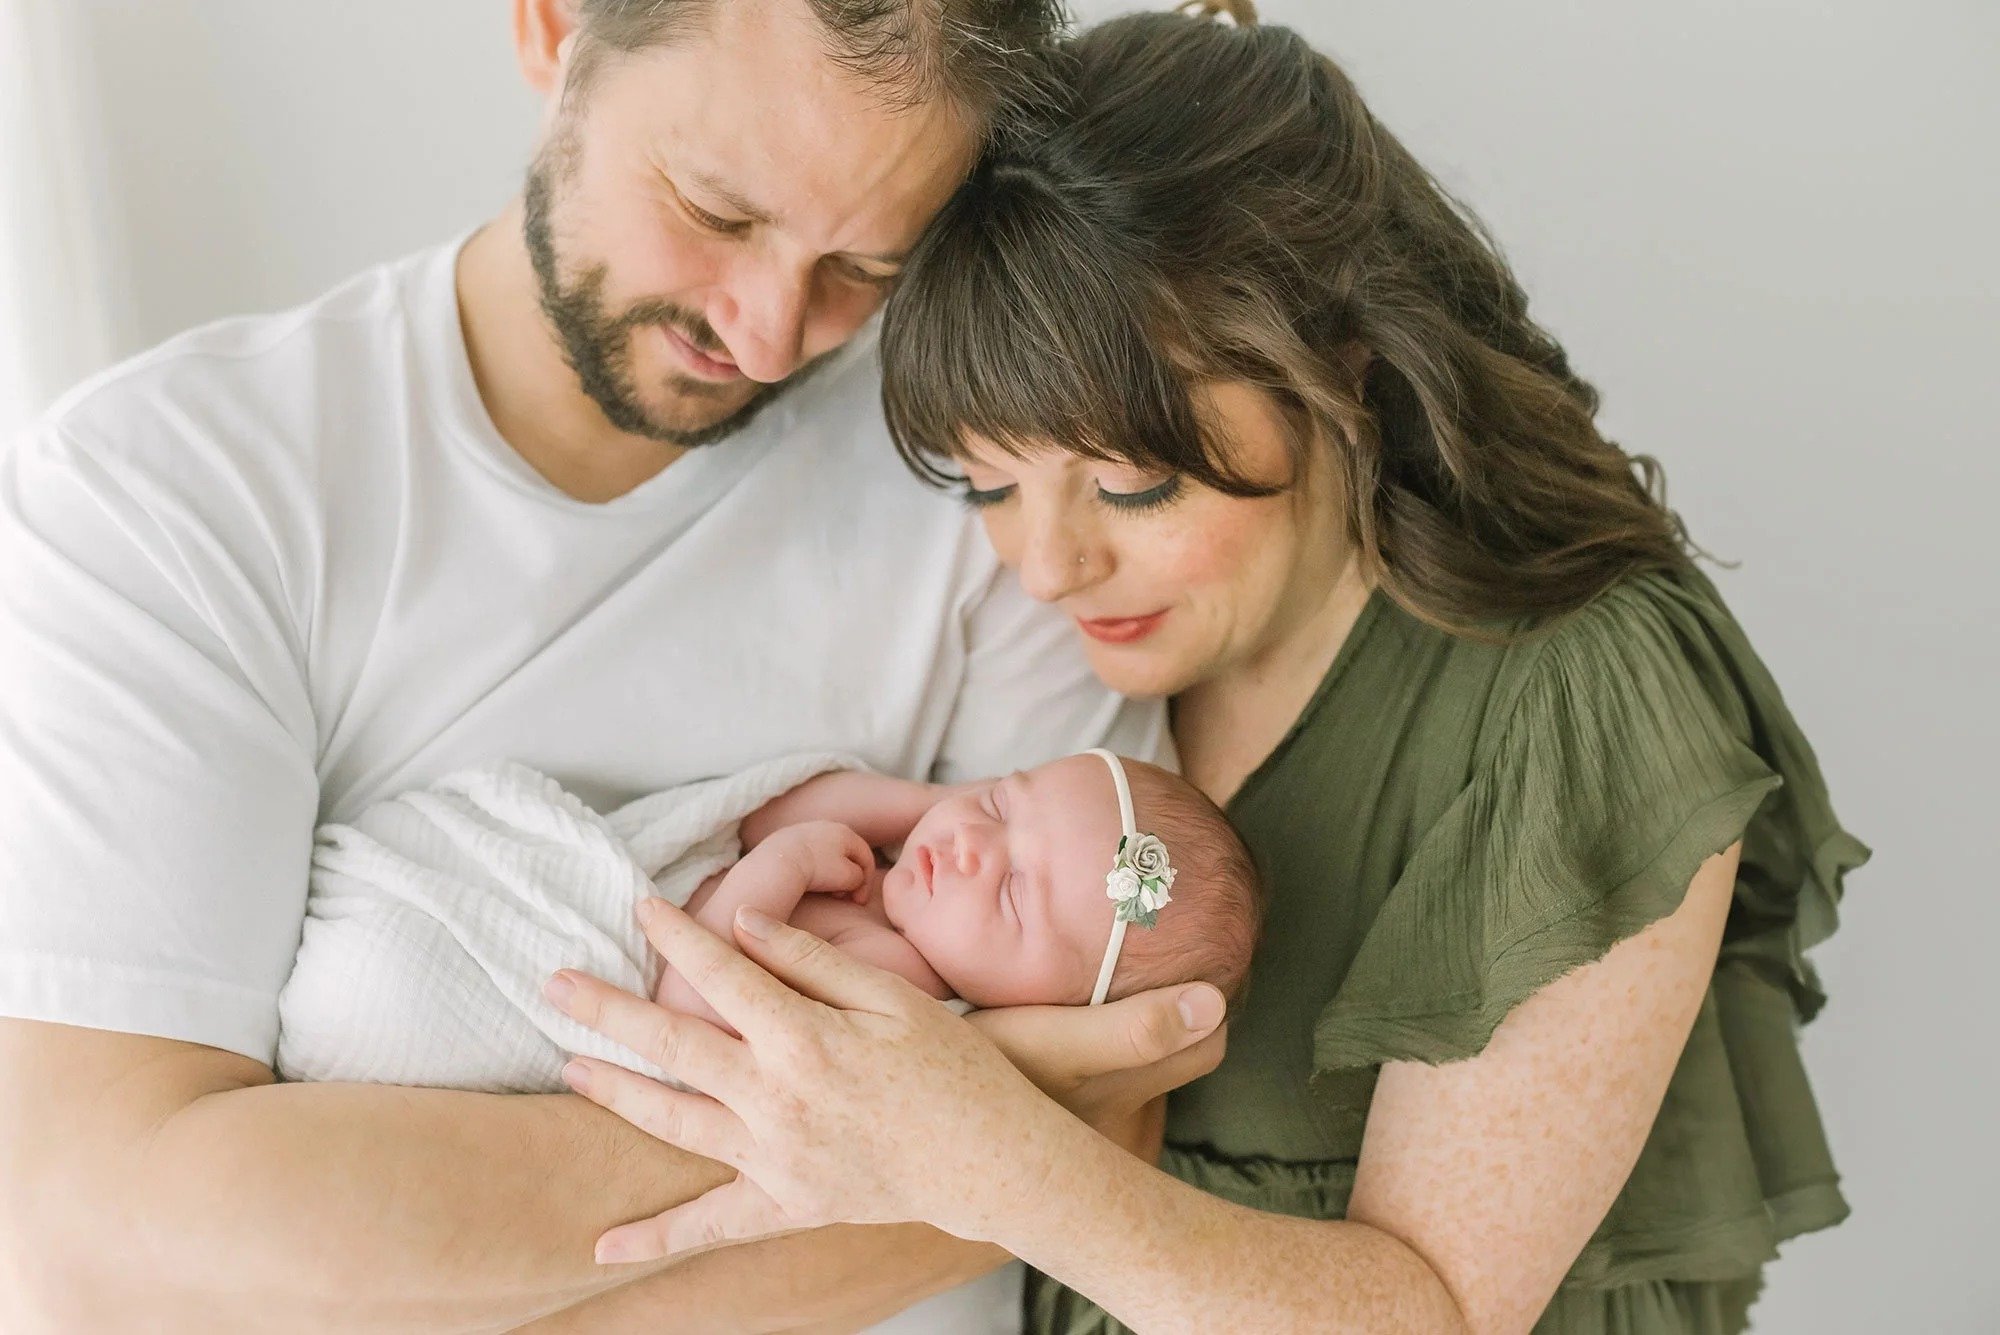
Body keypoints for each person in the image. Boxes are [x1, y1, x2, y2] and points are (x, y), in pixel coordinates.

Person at [548, 4, 1869, 1332]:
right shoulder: (1069, 672)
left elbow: (1441, 1309)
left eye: (1132, 484)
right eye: (990, 486)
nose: (1049, 570)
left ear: (1342, 375)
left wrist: (978, 1154)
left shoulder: (1580, 695)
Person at [0, 2, 1235, 1330]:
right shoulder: (168, 497)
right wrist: (935, 1143)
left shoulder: (985, 479)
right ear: (552, 29)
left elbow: (1111, 1120)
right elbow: (84, 1234)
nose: (768, 334)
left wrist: (382, 1255)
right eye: (718, 209)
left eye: (861, 272)